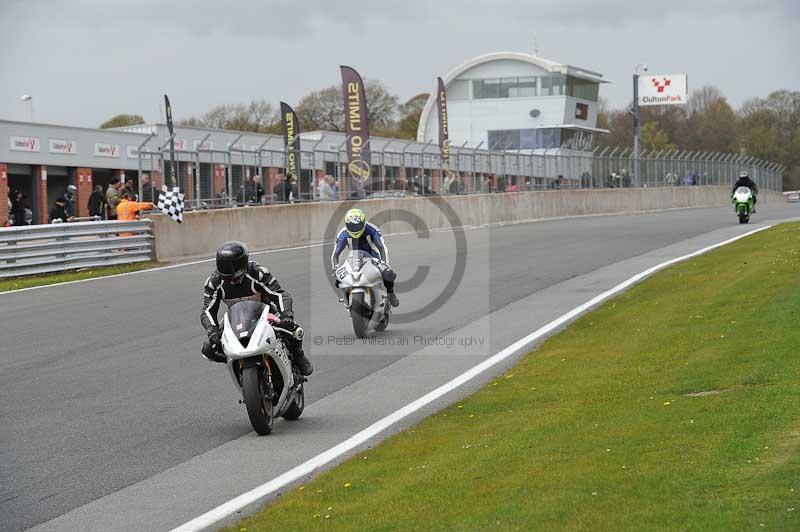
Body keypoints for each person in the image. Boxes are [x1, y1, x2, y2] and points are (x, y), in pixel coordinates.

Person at [200, 241, 313, 376]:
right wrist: (212, 331)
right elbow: (207, 310)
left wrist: (286, 315)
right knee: (209, 349)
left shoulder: (258, 273)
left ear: (242, 265)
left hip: (266, 312)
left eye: (233, 271)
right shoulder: (214, 282)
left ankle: (299, 356)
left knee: (294, 331)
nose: (230, 279)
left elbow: (280, 294)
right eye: (224, 271)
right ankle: (237, 363)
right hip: (236, 317)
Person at [330, 208, 399, 308]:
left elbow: (382, 247)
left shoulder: (371, 229)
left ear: (363, 222)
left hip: (373, 258)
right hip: (353, 260)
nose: (355, 229)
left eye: (357, 226)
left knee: (388, 273)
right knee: (338, 279)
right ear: (346, 224)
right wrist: (335, 268)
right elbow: (335, 254)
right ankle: (346, 299)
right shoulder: (343, 233)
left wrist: (384, 262)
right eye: (351, 226)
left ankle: (390, 293)